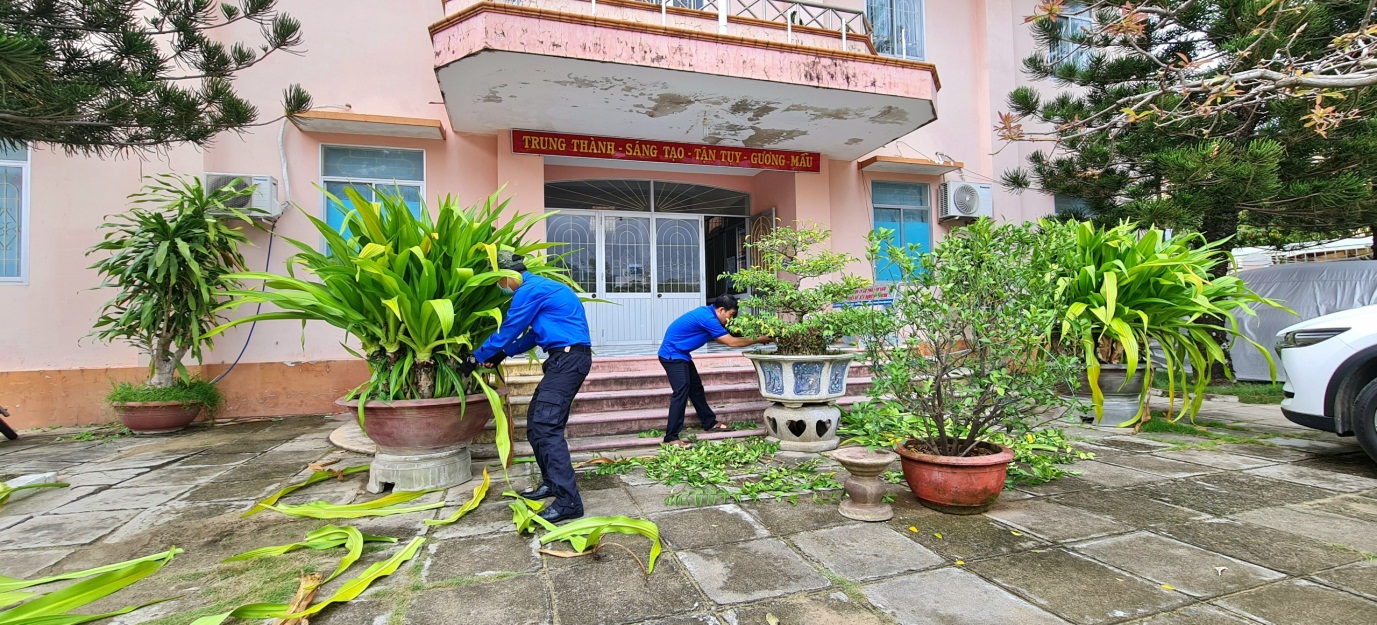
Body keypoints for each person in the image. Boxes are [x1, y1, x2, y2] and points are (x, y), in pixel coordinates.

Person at [467, 252, 592, 523]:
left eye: (498, 281)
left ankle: (569, 501)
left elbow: (511, 326)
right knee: (537, 424)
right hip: (565, 360)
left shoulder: (530, 290)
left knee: (547, 427)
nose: (499, 288)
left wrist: (476, 356)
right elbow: (534, 334)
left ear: (507, 276)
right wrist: (503, 353)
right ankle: (552, 483)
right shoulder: (544, 288)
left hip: (568, 360)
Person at [658, 294, 771, 448]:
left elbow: (720, 339)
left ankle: (709, 422)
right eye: (730, 315)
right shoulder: (707, 318)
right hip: (672, 355)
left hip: (681, 355)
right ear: (721, 310)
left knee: (696, 389)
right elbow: (730, 342)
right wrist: (759, 339)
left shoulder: (709, 315)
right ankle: (671, 437)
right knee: (681, 391)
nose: (730, 320)